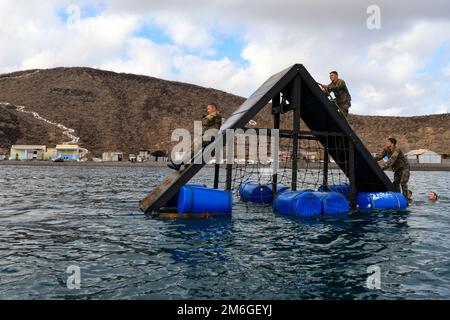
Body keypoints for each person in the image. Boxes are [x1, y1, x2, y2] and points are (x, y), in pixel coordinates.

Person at [168, 103, 222, 171]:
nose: (207, 110)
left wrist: (204, 117)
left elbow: (205, 122)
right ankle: (181, 163)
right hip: (208, 135)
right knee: (193, 147)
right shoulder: (214, 115)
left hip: (210, 136)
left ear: (214, 108)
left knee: (195, 147)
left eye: (209, 109)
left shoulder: (215, 114)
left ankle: (180, 163)